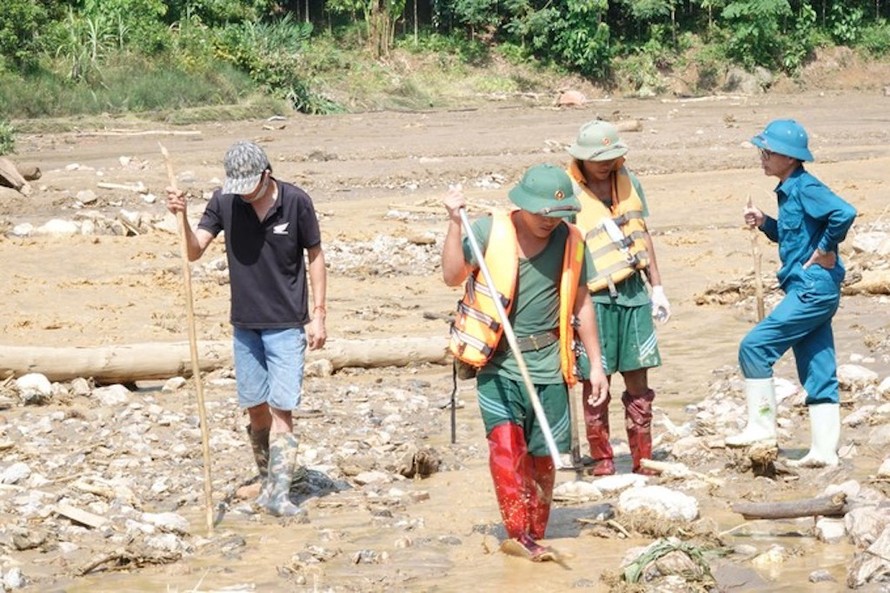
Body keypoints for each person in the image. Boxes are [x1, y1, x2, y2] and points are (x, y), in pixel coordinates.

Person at [442, 164, 609, 561]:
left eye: (558, 214)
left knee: (542, 458)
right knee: (505, 448)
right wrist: (453, 223)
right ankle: (518, 533)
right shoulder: (486, 230)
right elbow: (451, 275)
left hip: (549, 364)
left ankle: (536, 529)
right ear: (522, 206)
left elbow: (583, 302)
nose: (550, 222)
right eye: (543, 214)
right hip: (498, 364)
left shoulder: (571, 240)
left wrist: (597, 365)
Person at [165, 140, 327, 516]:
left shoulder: (296, 201)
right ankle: (267, 478)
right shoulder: (224, 200)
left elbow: (315, 257)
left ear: (266, 176)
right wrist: (183, 216)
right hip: (246, 325)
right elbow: (194, 250)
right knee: (255, 408)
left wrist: (318, 314)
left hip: (287, 323)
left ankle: (280, 495)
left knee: (282, 409)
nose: (241, 194)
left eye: (248, 187)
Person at [726, 119, 857, 468]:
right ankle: (824, 452)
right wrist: (765, 221)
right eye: (762, 151)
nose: (762, 157)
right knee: (818, 367)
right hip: (811, 288)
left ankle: (761, 427)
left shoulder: (806, 187)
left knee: (754, 347)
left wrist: (828, 247)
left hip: (812, 288)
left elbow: (845, 212)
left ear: (789, 157)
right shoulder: (788, 189)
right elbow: (794, 235)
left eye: (767, 152)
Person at [565, 120, 669, 477]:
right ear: (581, 159)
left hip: (633, 293)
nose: (607, 165)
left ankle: (643, 458)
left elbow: (643, 234)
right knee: (596, 382)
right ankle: (603, 460)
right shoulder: (569, 193)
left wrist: (657, 286)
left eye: (612, 157)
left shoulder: (630, 182)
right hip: (591, 298)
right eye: (599, 159)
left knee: (638, 381)